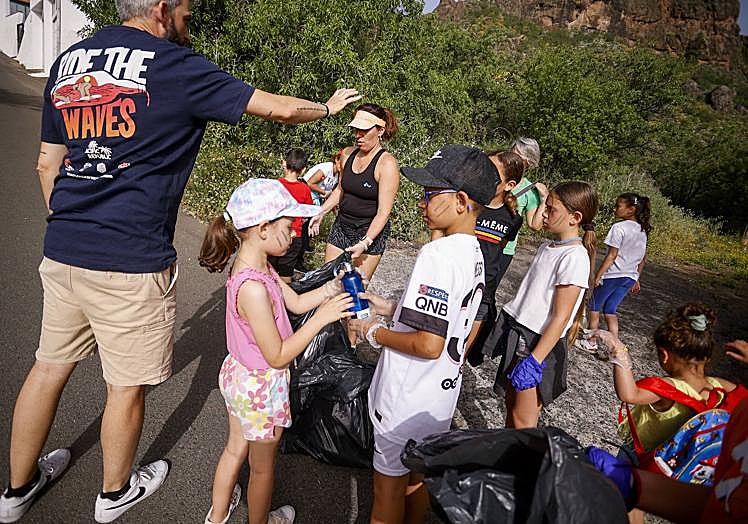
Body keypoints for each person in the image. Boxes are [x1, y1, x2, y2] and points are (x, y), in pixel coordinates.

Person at [0, 0, 361, 521]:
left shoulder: (69, 60)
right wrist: (327, 109)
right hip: (130, 257)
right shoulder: (173, 64)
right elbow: (278, 108)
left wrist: (73, 225)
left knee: (49, 365)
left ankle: (16, 490)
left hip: (63, 249)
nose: (187, 25)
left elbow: (46, 163)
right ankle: (114, 492)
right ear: (163, 10)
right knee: (124, 384)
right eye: (188, 16)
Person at [348, 145, 498, 524]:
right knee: (416, 480)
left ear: (461, 201)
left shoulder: (438, 254)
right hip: (438, 400)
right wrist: (391, 307)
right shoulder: (474, 251)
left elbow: (428, 344)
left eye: (431, 193)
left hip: (405, 399)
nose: (420, 201)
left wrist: (373, 331)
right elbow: (447, 319)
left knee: (386, 495)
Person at [198, 179, 355, 524]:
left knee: (235, 448)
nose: (295, 234)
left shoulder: (257, 266)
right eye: (289, 227)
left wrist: (330, 290)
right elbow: (278, 355)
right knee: (261, 471)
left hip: (239, 374)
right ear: (264, 229)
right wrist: (324, 319)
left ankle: (218, 515)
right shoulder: (253, 288)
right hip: (260, 387)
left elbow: (296, 302)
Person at [481, 181, 599, 429]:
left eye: (551, 209)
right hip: (521, 335)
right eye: (546, 206)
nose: (543, 213)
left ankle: (521, 466)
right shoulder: (549, 247)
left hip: (537, 345)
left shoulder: (574, 257)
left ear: (574, 218)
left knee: (524, 421)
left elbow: (560, 317)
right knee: (510, 408)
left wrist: (535, 360)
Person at [591, 304, 738, 455]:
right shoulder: (721, 386)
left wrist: (618, 349)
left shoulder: (668, 388)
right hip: (679, 469)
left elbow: (629, 394)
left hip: (645, 461)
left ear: (665, 355)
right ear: (706, 356)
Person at [308, 103, 400, 281]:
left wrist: (365, 242)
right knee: (328, 283)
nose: (358, 135)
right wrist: (321, 212)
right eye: (356, 130)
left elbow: (383, 212)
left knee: (354, 291)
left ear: (380, 130)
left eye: (364, 130)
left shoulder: (386, 164)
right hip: (343, 226)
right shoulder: (347, 154)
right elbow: (341, 189)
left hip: (370, 232)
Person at [576, 193, 652, 353]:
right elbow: (643, 259)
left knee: (594, 305)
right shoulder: (642, 231)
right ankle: (615, 346)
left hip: (614, 275)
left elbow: (612, 255)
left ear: (631, 209)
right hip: (629, 277)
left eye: (618, 206)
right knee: (610, 309)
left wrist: (598, 275)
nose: (614, 209)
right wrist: (636, 277)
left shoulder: (619, 227)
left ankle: (591, 341)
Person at [466, 151, 524, 354]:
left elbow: (498, 248)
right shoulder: (468, 203)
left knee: (459, 356)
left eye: (492, 172)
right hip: (457, 282)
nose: (484, 175)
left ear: (510, 185)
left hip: (483, 292)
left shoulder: (513, 218)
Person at [494, 137, 549, 281]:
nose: (512, 159)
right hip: (481, 238)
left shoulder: (529, 191)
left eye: (518, 156)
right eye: (511, 153)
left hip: (503, 249)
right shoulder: (495, 177)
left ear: (528, 162)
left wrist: (544, 200)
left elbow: (534, 225)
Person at [268, 149, 313, 283]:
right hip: (294, 236)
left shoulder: (275, 185)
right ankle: (283, 301)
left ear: (284, 163)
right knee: (286, 273)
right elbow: (307, 212)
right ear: (303, 170)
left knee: (267, 269)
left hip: (273, 234)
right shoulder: (305, 189)